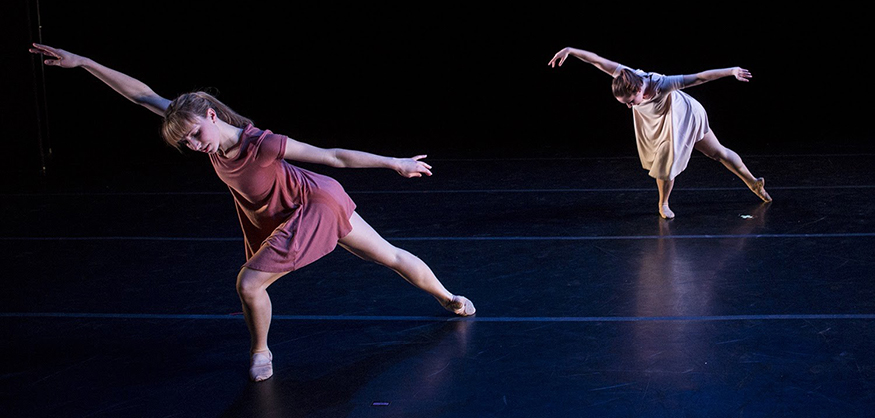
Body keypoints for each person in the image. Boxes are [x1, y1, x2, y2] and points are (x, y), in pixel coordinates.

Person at [29, 43, 476, 382]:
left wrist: (393, 162)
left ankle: (260, 351)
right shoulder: (197, 127)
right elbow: (144, 95)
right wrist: (83, 62)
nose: (192, 144)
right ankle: (449, 298)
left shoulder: (258, 143)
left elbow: (334, 156)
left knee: (249, 281)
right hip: (291, 209)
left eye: (194, 134)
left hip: (313, 203)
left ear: (210, 114)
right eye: (184, 141)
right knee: (389, 256)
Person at [548, 47, 771, 219]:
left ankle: (750, 182)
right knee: (713, 153)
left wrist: (731, 71)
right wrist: (570, 50)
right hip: (665, 120)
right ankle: (753, 183)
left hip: (686, 116)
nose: (629, 106)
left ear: (637, 90)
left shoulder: (662, 85)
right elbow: (596, 60)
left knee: (704, 154)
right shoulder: (624, 74)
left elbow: (701, 77)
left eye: (630, 102)